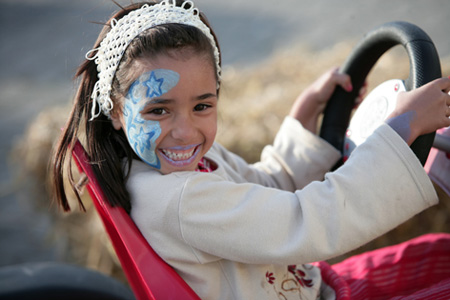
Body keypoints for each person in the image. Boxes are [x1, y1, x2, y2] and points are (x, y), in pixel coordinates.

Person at [52, 0, 450, 299]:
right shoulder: (183, 199)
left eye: (202, 106)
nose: (185, 129)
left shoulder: (172, 167)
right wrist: (401, 129)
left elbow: (266, 189)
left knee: (440, 254)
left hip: (314, 285)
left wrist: (301, 122)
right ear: (117, 111)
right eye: (158, 110)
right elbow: (307, 222)